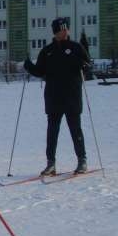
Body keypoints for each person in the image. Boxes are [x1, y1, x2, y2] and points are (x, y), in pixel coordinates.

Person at [24, 17, 91, 175]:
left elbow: (87, 65)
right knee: (52, 131)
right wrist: (29, 66)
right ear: (55, 32)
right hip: (53, 97)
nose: (65, 31)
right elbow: (40, 71)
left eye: (66, 28)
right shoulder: (47, 51)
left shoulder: (76, 47)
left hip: (72, 96)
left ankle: (82, 160)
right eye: (62, 29)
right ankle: (51, 163)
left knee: (75, 129)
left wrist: (83, 65)